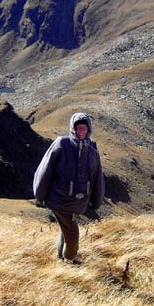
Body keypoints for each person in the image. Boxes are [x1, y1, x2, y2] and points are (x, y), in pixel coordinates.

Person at [33, 112, 105, 264]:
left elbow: (97, 176)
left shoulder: (92, 148)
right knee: (73, 233)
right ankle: (70, 261)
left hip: (76, 203)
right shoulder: (62, 143)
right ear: (73, 128)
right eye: (78, 128)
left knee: (65, 230)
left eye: (84, 129)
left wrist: (96, 200)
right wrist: (40, 194)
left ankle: (60, 258)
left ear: (89, 130)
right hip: (59, 200)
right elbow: (46, 169)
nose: (81, 132)